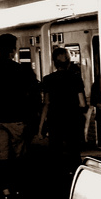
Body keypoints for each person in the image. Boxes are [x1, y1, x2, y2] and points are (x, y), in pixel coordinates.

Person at [0, 33, 40, 199]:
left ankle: (5, 191)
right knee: (19, 156)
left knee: (2, 156)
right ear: (14, 50)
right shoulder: (23, 70)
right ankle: (18, 190)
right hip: (17, 119)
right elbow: (35, 95)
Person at [40, 47, 88, 182]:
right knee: (74, 151)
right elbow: (82, 103)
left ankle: (57, 180)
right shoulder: (76, 78)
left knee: (55, 152)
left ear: (54, 62)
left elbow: (46, 103)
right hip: (73, 120)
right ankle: (76, 179)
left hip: (55, 121)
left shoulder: (48, 79)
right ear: (68, 61)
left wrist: (40, 126)